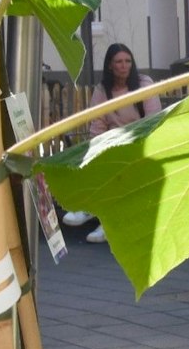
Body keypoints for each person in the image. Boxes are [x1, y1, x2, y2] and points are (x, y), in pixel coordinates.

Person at [59, 44, 160, 243]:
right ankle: (91, 209)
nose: (124, 66)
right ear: (110, 66)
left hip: (143, 143)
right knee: (96, 159)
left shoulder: (143, 84)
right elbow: (97, 124)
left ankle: (105, 223)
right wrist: (95, 149)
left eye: (128, 61)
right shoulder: (102, 90)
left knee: (119, 166)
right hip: (113, 143)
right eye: (119, 62)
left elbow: (153, 121)